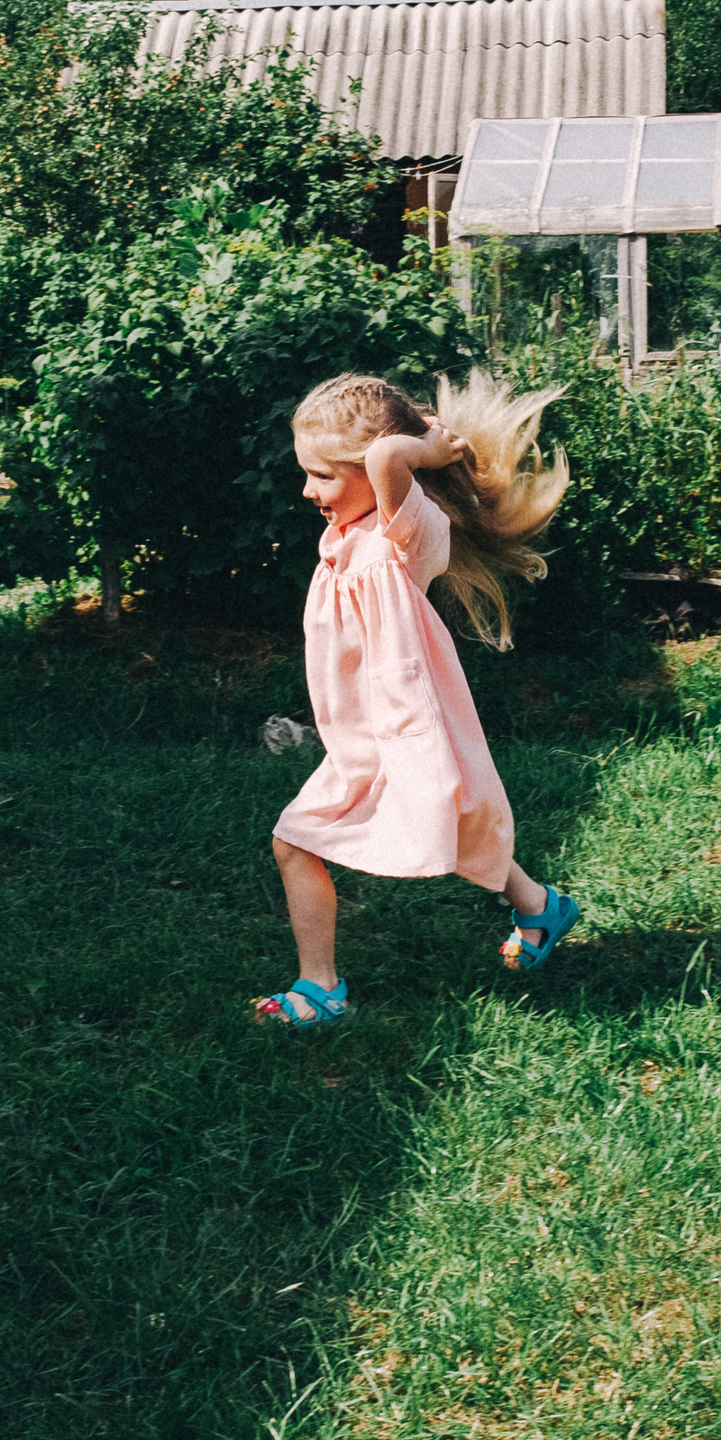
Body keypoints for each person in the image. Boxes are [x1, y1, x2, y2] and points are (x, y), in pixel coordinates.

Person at [253, 370, 575, 1029]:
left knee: (297, 842)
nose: (308, 488)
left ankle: (320, 989)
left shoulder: (410, 532)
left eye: (322, 475)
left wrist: (429, 448)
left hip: (404, 732)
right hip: (368, 735)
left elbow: (383, 457)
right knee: (454, 828)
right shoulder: (350, 532)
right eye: (307, 473)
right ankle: (541, 906)